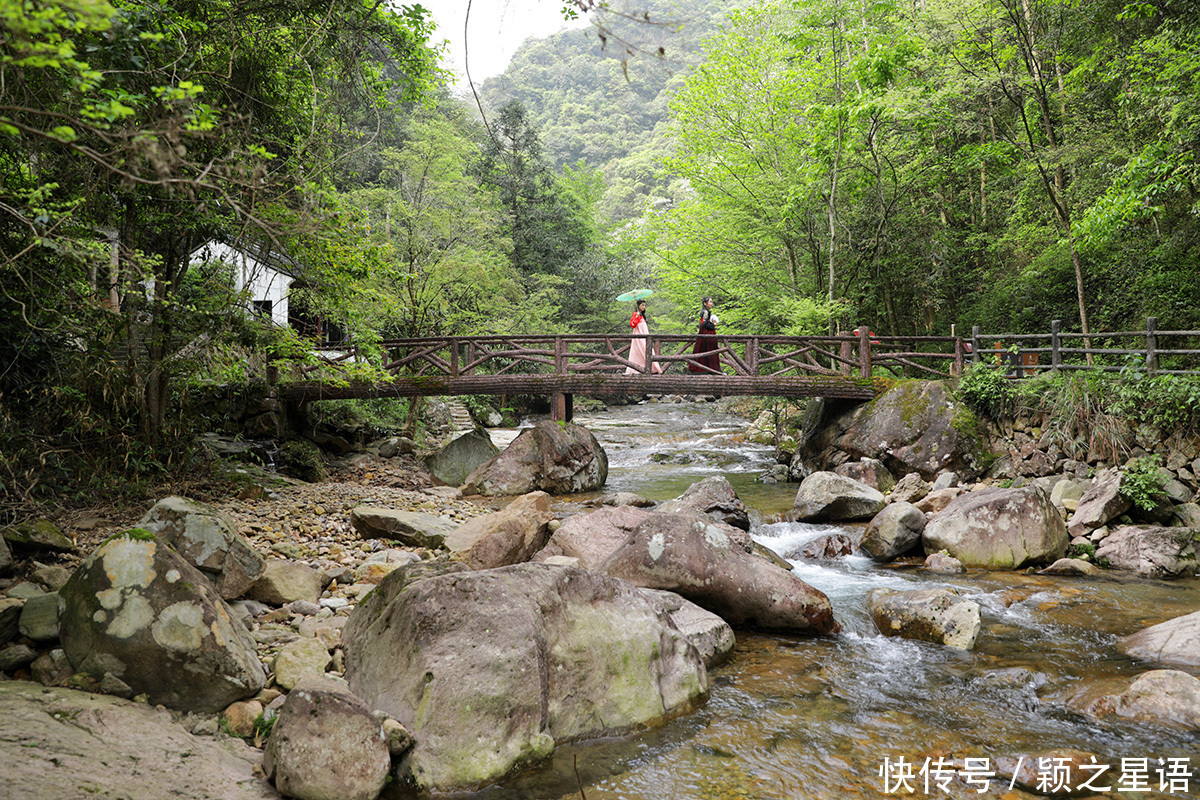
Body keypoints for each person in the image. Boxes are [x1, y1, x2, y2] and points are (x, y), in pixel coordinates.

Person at [625, 299, 663, 374]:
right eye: (642, 305)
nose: (644, 307)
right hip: (639, 336)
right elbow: (633, 325)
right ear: (638, 306)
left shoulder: (643, 316)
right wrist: (636, 316)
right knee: (639, 351)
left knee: (647, 350)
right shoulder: (636, 314)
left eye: (645, 305)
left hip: (645, 336)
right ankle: (638, 369)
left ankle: (651, 368)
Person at [688, 296, 720, 373]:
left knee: (703, 348)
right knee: (709, 348)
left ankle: (706, 368)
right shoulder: (705, 312)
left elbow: (703, 322)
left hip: (704, 331)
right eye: (710, 302)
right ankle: (710, 368)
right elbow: (704, 323)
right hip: (706, 332)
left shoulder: (705, 311)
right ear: (705, 303)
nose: (711, 304)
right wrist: (713, 325)